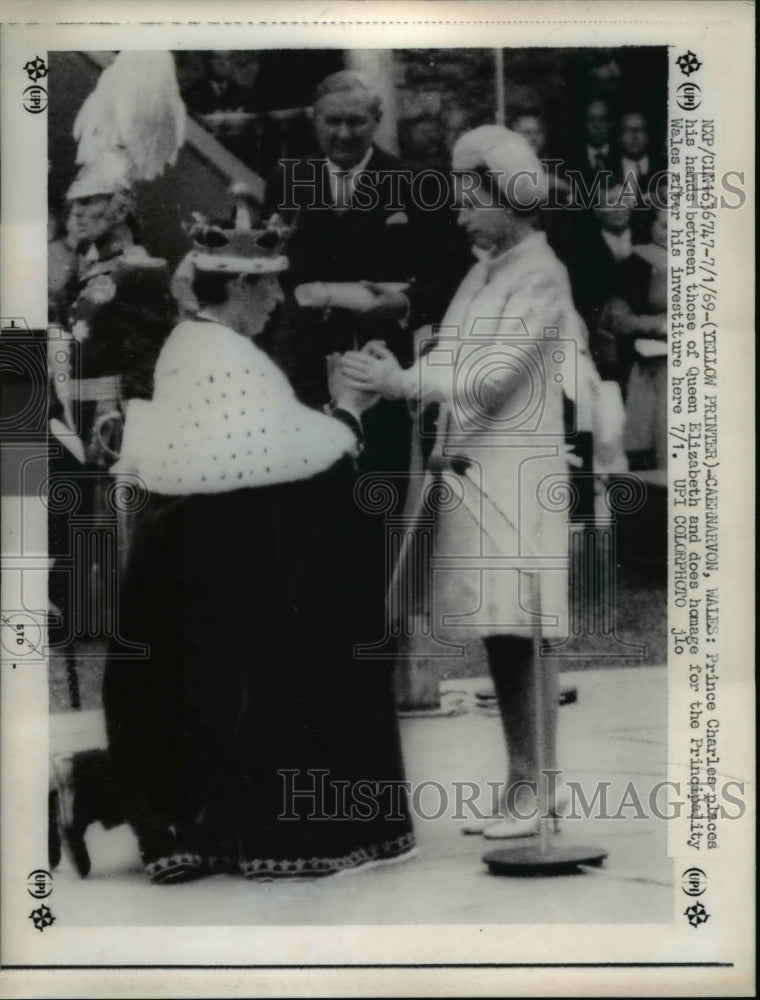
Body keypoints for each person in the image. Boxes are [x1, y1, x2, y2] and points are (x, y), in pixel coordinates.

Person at [103, 218, 416, 883]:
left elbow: (267, 449)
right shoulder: (222, 354)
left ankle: (176, 814)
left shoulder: (199, 344)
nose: (279, 302)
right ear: (241, 286)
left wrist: (333, 419)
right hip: (226, 558)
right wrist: (349, 409)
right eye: (269, 289)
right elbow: (291, 459)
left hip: (193, 550)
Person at [342, 126, 595, 839]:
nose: (456, 212)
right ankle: (522, 781)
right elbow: (449, 354)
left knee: (526, 629)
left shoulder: (541, 272)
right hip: (474, 473)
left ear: (508, 195)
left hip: (515, 474)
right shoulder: (483, 270)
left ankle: (538, 786)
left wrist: (398, 382)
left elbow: (487, 382)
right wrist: (399, 364)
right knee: (501, 632)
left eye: (468, 195)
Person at [264, 69, 465, 483]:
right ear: (313, 120)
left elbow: (451, 278)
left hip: (379, 366)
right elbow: (274, 271)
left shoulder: (416, 184)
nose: (343, 133)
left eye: (356, 121)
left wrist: (404, 302)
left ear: (376, 121)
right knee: (308, 493)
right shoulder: (287, 180)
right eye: (331, 121)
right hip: (302, 367)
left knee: (377, 493)